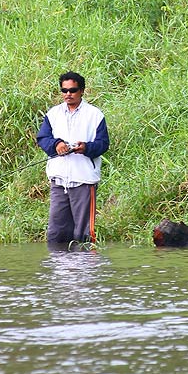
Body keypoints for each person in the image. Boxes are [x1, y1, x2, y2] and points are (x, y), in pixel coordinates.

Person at [36, 72, 110, 246]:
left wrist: (86, 148)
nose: (68, 94)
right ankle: (61, 271)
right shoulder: (53, 114)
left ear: (82, 91)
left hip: (84, 180)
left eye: (73, 90)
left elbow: (103, 144)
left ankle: (84, 270)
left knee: (83, 233)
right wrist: (56, 145)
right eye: (64, 90)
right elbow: (43, 139)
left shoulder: (95, 115)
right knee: (56, 233)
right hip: (59, 181)